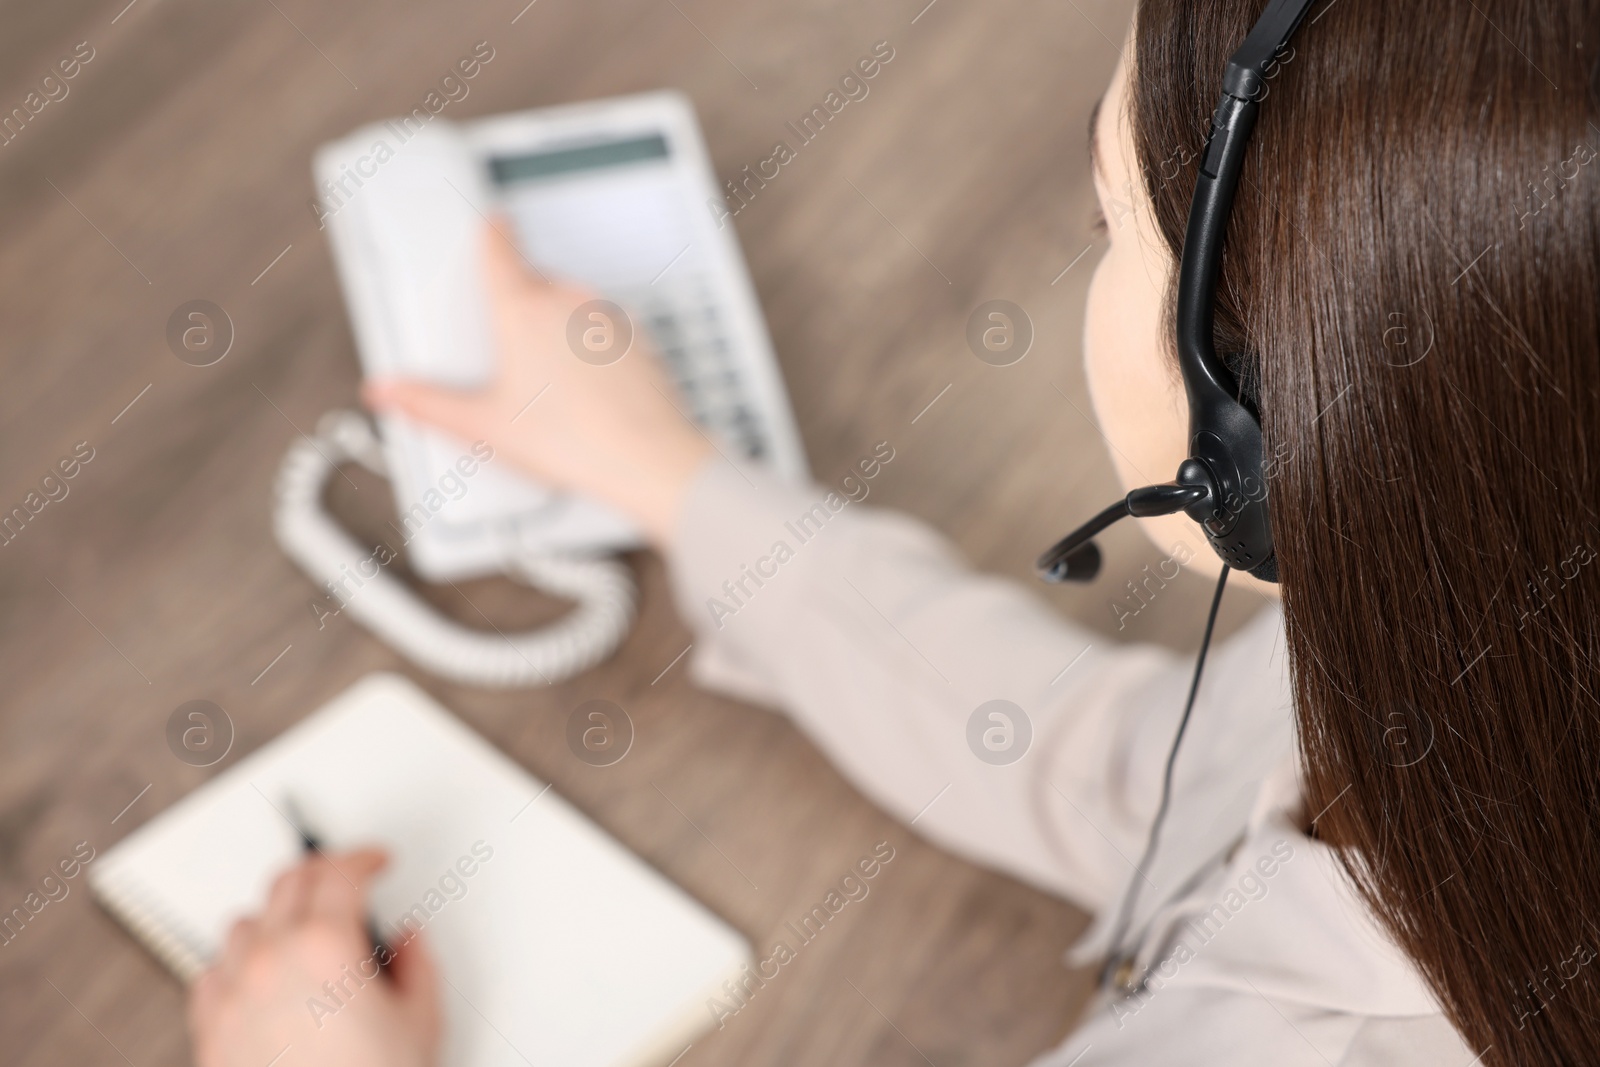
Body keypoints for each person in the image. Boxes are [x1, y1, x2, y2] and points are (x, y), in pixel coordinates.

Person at [187, 2, 1600, 1064]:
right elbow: (1126, 786)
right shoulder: (1480, 634)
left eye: (1108, 217)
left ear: (1269, 425)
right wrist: (674, 479)